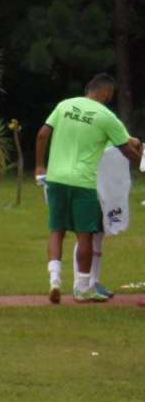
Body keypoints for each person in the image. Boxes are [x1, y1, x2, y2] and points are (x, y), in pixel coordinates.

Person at [35, 73, 141, 303]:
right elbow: (126, 149)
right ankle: (83, 287)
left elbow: (43, 134)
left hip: (55, 178)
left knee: (56, 231)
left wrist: (40, 166)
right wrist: (142, 164)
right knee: (85, 235)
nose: (109, 99)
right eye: (110, 95)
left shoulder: (64, 105)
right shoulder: (106, 116)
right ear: (104, 92)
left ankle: (54, 280)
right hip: (83, 182)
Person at [68, 145, 134, 298]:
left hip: (106, 181)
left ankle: (94, 282)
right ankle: (80, 283)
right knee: (86, 234)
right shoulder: (99, 125)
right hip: (90, 183)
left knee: (98, 234)